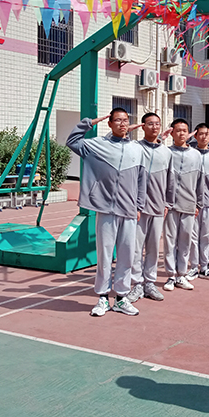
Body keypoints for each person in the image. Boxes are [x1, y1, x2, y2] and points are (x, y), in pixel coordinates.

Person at [66, 108, 147, 317]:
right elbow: (72, 141)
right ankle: (102, 297)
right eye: (117, 120)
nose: (122, 123)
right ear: (109, 123)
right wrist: (89, 122)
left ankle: (121, 298)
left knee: (127, 255)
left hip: (129, 210)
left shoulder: (137, 149)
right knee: (104, 255)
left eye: (125, 120)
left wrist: (139, 206)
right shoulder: (97, 145)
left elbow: (142, 180)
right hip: (106, 209)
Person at [127, 113, 173, 304]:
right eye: (150, 124)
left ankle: (149, 283)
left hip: (158, 207)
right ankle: (137, 283)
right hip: (138, 208)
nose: (154, 127)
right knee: (136, 248)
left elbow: (171, 180)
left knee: (153, 247)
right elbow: (117, 141)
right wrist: (128, 129)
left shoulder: (167, 152)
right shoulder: (135, 147)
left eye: (157, 124)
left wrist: (167, 203)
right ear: (143, 126)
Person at [163, 118, 204, 290]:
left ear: (189, 134)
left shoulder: (196, 155)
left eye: (184, 130)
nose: (181, 133)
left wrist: (199, 204)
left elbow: (200, 181)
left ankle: (181, 274)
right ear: (172, 133)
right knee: (170, 241)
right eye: (178, 130)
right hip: (170, 205)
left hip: (189, 204)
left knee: (185, 240)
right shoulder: (166, 152)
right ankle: (171, 276)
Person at [187, 123, 209, 281]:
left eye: (206, 134)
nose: (203, 137)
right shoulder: (190, 155)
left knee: (207, 236)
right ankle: (194, 267)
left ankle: (205, 267)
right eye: (200, 134)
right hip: (192, 204)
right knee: (193, 237)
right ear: (195, 136)